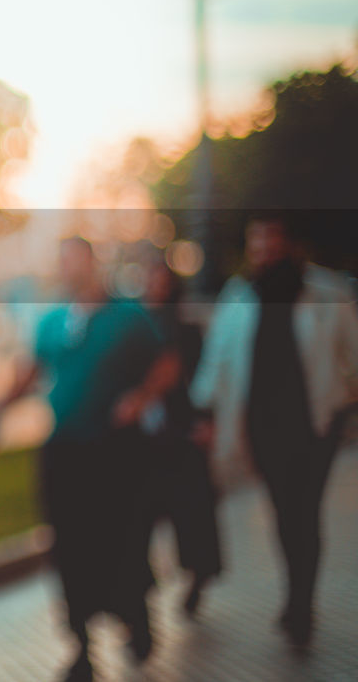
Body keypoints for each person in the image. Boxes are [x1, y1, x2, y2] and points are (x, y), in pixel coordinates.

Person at [0, 237, 175, 682]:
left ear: (95, 265)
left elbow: (167, 363)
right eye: (64, 263)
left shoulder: (129, 317)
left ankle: (134, 617)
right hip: (65, 453)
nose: (72, 271)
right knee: (68, 547)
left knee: (122, 540)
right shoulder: (52, 322)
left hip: (117, 455)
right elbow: (30, 373)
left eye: (78, 262)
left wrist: (141, 398)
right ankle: (81, 647)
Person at [190, 214, 358, 649]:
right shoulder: (239, 296)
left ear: (289, 242)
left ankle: (301, 602)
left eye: (272, 239)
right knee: (286, 513)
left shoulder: (326, 292)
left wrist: (345, 400)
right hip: (264, 425)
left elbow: (352, 354)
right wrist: (204, 412)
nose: (264, 248)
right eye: (257, 241)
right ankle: (295, 593)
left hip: (316, 423)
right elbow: (216, 361)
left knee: (306, 512)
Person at [137, 259, 222, 617]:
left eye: (162, 281)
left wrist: (206, 421)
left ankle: (198, 576)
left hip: (182, 431)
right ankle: (141, 586)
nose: (155, 287)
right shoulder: (134, 329)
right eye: (149, 280)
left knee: (191, 514)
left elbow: (205, 379)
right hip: (143, 440)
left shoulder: (187, 330)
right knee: (139, 517)